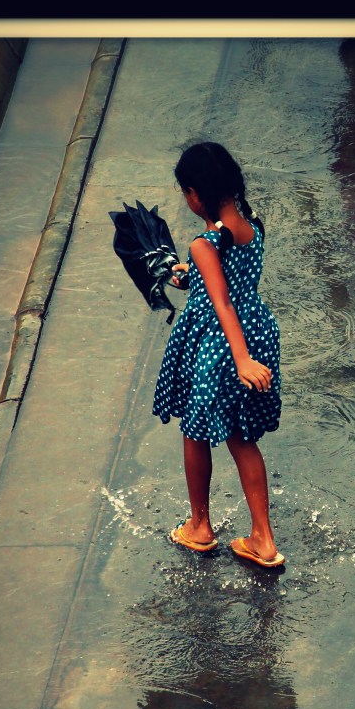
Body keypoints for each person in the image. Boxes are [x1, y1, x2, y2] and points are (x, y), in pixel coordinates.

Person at [152, 141, 285, 568]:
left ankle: (200, 526)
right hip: (255, 331)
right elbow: (227, 281)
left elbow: (222, 304)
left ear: (195, 194)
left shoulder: (204, 244)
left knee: (196, 431)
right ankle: (263, 539)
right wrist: (191, 274)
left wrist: (240, 358)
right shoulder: (251, 227)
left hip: (220, 345)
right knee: (241, 437)